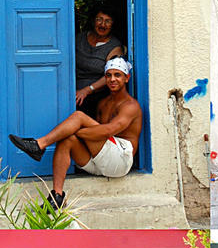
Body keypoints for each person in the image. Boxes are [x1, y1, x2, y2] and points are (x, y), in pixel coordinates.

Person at [9, 57, 142, 208]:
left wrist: (74, 131)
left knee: (78, 118)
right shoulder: (103, 103)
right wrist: (69, 134)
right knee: (66, 140)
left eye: (117, 75)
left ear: (127, 78)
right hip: (100, 162)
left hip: (120, 161)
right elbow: (96, 134)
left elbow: (108, 130)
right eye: (108, 75)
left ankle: (39, 145)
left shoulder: (131, 105)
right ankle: (57, 196)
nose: (112, 79)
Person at [75, 4, 124, 117]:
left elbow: (111, 74)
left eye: (108, 21)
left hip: (96, 93)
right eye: (99, 20)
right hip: (71, 90)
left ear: (113, 24)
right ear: (93, 21)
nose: (103, 24)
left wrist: (87, 90)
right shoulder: (79, 38)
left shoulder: (114, 46)